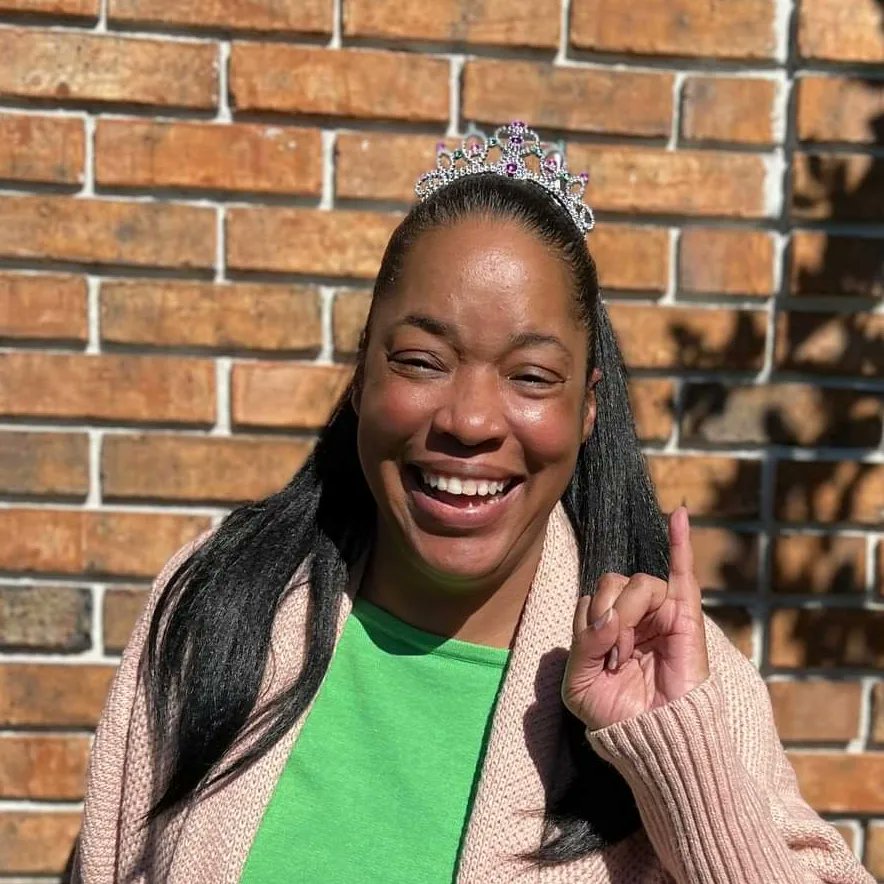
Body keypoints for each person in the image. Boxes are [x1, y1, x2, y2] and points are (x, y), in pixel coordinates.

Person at [72, 123, 873, 883]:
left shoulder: (677, 686)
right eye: (422, 360)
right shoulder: (219, 606)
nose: (471, 421)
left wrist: (682, 769)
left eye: (530, 376)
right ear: (362, 375)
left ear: (588, 409)